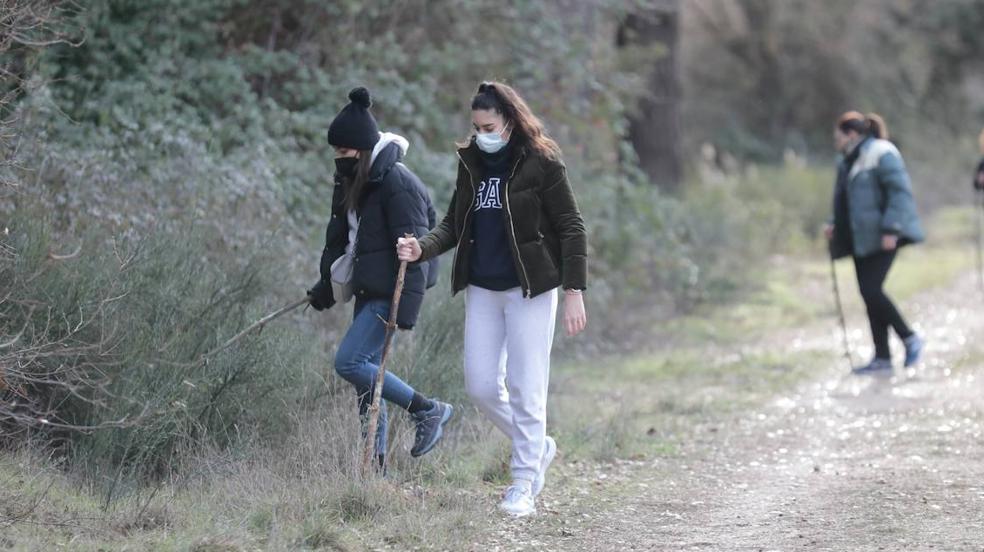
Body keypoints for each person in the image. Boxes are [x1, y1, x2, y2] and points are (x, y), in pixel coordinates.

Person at [397, 81, 587, 516]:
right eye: (476, 126)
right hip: (482, 287)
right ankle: (539, 445)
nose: (481, 132)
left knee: (526, 386)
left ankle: (523, 484)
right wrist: (421, 248)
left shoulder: (541, 162)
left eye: (489, 125)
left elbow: (572, 227)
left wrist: (575, 290)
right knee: (480, 386)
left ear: (509, 121)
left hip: (531, 289)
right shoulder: (471, 163)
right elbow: (453, 223)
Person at [308, 87, 453, 468]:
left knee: (349, 362)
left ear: (361, 148)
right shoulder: (354, 181)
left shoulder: (397, 183)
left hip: (391, 290)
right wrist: (327, 283)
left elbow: (416, 251)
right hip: (367, 286)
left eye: (344, 152)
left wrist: (404, 309)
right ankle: (375, 468)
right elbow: (344, 239)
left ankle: (426, 409)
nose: (338, 160)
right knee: (364, 382)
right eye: (335, 153)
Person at [825, 111, 925, 375]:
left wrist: (892, 228)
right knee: (869, 294)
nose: (835, 141)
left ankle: (909, 338)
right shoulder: (847, 160)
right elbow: (843, 201)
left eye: (838, 136)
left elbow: (899, 193)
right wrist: (833, 223)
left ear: (851, 134)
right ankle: (882, 357)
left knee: (872, 291)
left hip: (883, 235)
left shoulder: (882, 152)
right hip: (860, 239)